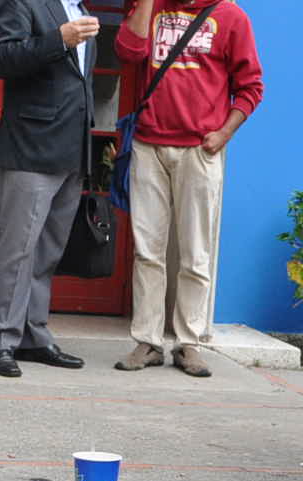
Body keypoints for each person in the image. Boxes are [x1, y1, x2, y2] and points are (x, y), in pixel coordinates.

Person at [112, 0, 263, 378]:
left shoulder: (231, 16)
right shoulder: (153, 7)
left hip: (200, 149)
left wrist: (224, 133)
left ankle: (189, 343)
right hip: (148, 145)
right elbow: (128, 51)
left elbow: (251, 86)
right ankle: (147, 341)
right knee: (148, 251)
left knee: (196, 253)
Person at [0, 0, 102, 379]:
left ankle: (33, 336)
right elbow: (1, 58)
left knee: (47, 253)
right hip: (30, 146)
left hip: (71, 148)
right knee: (17, 250)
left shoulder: (78, 7)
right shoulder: (22, 2)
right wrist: (58, 39)